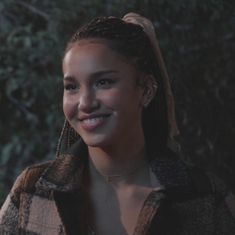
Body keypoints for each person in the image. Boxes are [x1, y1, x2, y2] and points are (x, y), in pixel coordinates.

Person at [0, 12, 235, 235]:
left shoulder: (204, 197)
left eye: (103, 82)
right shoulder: (31, 191)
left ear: (146, 90)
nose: (85, 103)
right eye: (72, 87)